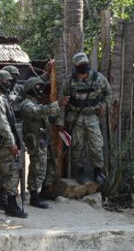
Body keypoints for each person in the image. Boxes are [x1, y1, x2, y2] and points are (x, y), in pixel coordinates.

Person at [57, 52, 112, 185]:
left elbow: (108, 93)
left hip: (92, 116)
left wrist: (103, 105)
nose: (83, 66)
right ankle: (80, 171)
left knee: (97, 146)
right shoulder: (69, 82)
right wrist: (60, 122)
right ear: (75, 66)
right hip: (75, 117)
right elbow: (62, 102)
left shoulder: (99, 78)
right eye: (80, 65)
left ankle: (98, 171)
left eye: (84, 64)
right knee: (77, 146)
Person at [20, 77, 69, 208]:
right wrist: (57, 104)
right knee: (37, 168)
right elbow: (37, 113)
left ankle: (45, 191)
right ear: (30, 89)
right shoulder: (26, 104)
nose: (40, 90)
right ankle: (34, 196)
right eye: (37, 87)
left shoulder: (36, 103)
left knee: (49, 165)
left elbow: (46, 115)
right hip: (35, 141)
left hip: (43, 140)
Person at [0, 70, 27, 218]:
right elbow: (1, 124)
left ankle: (2, 200)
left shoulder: (1, 98)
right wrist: (11, 143)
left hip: (5, 141)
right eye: (7, 82)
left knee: (4, 171)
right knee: (11, 172)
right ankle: (11, 205)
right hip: (5, 142)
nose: (10, 84)